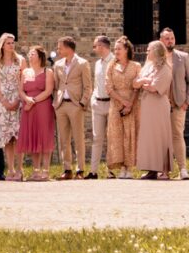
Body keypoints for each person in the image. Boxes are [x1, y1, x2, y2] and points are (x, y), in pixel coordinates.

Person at [132, 40, 174, 179]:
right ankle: (151, 169)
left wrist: (144, 82)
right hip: (147, 106)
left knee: (160, 137)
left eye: (149, 50)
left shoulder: (165, 69)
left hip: (158, 107)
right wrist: (145, 81)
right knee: (148, 138)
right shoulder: (148, 66)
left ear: (156, 51)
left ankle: (164, 170)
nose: (147, 52)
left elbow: (155, 88)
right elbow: (135, 83)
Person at [160, 27, 189, 180]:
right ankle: (164, 171)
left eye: (172, 38)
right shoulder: (156, 57)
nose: (170, 41)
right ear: (161, 40)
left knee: (177, 135)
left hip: (178, 104)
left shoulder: (183, 57)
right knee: (162, 138)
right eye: (167, 38)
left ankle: (183, 169)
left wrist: (187, 102)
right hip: (160, 104)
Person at [16, 45, 56, 180]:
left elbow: (48, 91)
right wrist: (27, 99)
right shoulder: (25, 72)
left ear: (40, 56)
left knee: (44, 136)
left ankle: (46, 170)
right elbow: (20, 90)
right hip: (28, 108)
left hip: (43, 106)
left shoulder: (48, 71)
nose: (30, 55)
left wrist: (33, 101)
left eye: (33, 53)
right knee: (33, 137)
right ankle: (36, 170)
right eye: (29, 53)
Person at [53, 36, 91, 179]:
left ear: (68, 48)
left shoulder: (82, 63)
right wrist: (56, 103)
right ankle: (67, 169)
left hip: (76, 105)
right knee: (64, 139)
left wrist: (82, 102)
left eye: (60, 47)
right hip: (61, 105)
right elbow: (56, 85)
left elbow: (88, 86)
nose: (58, 50)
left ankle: (80, 170)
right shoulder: (57, 65)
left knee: (78, 138)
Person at [106, 36, 141, 178]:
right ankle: (120, 167)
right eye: (115, 49)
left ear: (127, 50)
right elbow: (109, 87)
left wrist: (130, 103)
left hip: (133, 104)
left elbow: (138, 88)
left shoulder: (136, 66)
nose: (116, 51)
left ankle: (129, 168)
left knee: (130, 135)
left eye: (119, 48)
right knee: (117, 135)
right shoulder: (111, 66)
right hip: (116, 104)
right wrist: (123, 102)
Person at [0, 32, 24, 181]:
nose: (11, 45)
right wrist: (4, 101)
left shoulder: (21, 61)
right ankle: (10, 169)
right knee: (7, 138)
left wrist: (17, 99)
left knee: (18, 136)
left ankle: (19, 169)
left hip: (18, 99)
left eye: (13, 43)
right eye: (9, 43)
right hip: (2, 102)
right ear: (3, 45)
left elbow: (24, 82)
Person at [88, 35, 114, 179]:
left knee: (112, 138)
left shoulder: (115, 61)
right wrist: (93, 98)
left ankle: (111, 171)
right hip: (97, 103)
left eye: (95, 46)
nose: (94, 49)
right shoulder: (97, 63)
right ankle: (93, 171)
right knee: (97, 138)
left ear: (102, 46)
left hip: (111, 103)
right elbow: (96, 83)